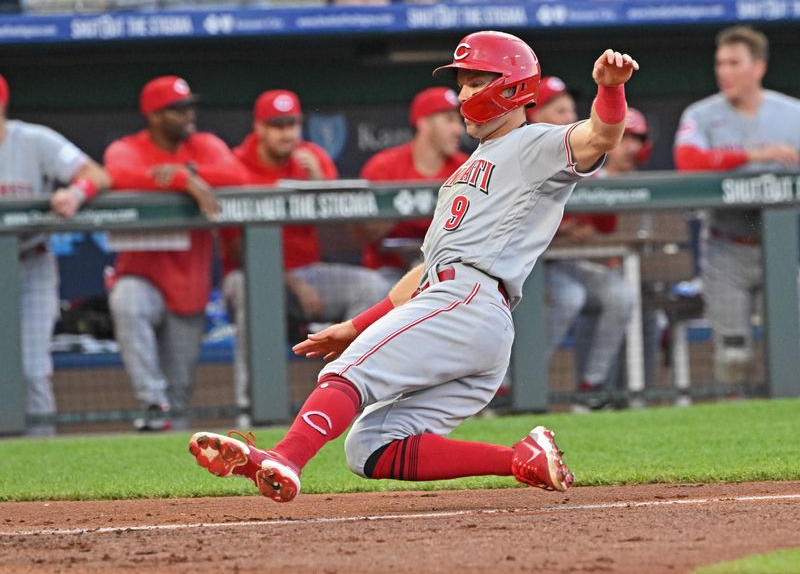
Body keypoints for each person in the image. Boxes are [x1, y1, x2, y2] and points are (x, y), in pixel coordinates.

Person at [189, 31, 639, 502]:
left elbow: (600, 136)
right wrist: (358, 324)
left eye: (474, 81)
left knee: (349, 374)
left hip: (469, 300)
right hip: (469, 312)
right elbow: (425, 274)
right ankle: (521, 458)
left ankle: (285, 456)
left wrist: (610, 88)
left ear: (510, 88)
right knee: (368, 447)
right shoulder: (467, 168)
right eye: (460, 83)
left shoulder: (533, 145)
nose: (462, 94)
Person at [220, 89, 392, 427]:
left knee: (370, 285)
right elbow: (235, 249)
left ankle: (353, 393)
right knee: (247, 287)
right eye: (276, 125)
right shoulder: (235, 164)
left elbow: (341, 228)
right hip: (252, 275)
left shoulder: (311, 157)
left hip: (310, 273)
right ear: (259, 128)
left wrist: (318, 183)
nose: (287, 133)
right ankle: (251, 409)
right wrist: (291, 283)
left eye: (292, 124)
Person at [104, 75, 249, 431]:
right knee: (127, 301)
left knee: (181, 392)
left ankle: (169, 464)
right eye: (177, 109)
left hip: (190, 285)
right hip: (142, 277)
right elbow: (119, 174)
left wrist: (188, 171)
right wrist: (186, 183)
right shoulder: (129, 148)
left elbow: (238, 176)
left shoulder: (205, 145)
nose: (188, 115)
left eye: (189, 107)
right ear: (153, 116)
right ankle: (152, 400)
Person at [673, 25, 800, 389]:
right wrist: (758, 155)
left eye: (734, 62)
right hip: (727, 246)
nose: (724, 71)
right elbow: (688, 160)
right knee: (733, 356)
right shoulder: (701, 114)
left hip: (786, 248)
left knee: (793, 349)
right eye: (720, 63)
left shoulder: (792, 114)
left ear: (758, 67)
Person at [0, 73, 111, 436]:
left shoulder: (33, 140)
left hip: (30, 262)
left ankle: (39, 451)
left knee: (32, 369)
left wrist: (76, 193)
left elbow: (94, 173)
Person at [528, 76, 635, 411]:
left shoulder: (583, 157)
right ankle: (517, 384)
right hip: (527, 265)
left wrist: (583, 221)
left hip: (565, 262)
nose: (570, 117)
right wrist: (561, 229)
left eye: (572, 110)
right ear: (534, 116)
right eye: (560, 110)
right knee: (570, 297)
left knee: (619, 293)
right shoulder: (523, 152)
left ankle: (593, 386)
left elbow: (606, 223)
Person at [356, 86, 469, 285]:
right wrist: (395, 209)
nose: (459, 129)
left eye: (459, 120)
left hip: (450, 273)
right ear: (424, 123)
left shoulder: (467, 168)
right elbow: (362, 235)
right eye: (449, 120)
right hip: (390, 274)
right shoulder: (383, 167)